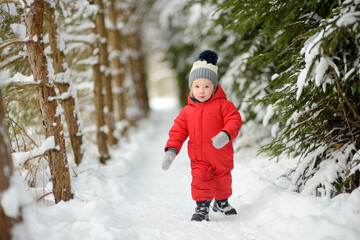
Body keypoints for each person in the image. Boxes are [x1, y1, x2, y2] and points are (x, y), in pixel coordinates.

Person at [162, 50, 242, 222]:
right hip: (199, 157)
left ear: (214, 87)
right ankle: (202, 206)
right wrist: (171, 150)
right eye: (197, 86)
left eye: (207, 86)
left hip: (221, 155)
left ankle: (222, 202)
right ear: (191, 88)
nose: (202, 91)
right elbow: (177, 131)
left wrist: (226, 134)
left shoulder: (223, 105)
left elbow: (234, 120)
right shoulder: (187, 112)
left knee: (223, 181)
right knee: (200, 180)